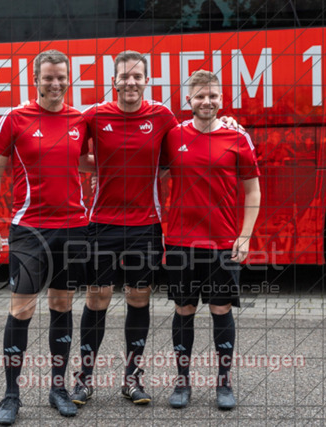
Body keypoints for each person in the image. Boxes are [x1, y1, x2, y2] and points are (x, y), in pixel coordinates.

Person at [0, 49, 90, 424]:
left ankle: (58, 389)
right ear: (35, 80)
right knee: (21, 309)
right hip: (29, 229)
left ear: (68, 79)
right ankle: (11, 396)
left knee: (62, 305)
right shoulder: (14, 119)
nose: (55, 83)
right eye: (48, 77)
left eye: (61, 77)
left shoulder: (80, 120)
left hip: (73, 228)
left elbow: (86, 160)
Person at [70, 50, 178, 407]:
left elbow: (178, 155)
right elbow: (72, 154)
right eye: (124, 76)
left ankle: (132, 379)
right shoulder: (95, 115)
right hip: (102, 223)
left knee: (138, 297)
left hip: (146, 225)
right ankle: (84, 379)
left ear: (146, 80)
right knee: (97, 297)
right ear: (113, 81)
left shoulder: (162, 116)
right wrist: (101, 166)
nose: (131, 82)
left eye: (137, 76)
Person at [163, 70, 261, 410]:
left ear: (222, 99)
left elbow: (253, 190)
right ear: (188, 100)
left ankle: (224, 383)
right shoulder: (173, 136)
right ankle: (182, 382)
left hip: (221, 242)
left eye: (213, 96)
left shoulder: (237, 137)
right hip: (181, 241)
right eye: (201, 96)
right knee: (184, 310)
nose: (207, 101)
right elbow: (148, 171)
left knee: (221, 310)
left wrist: (245, 236)